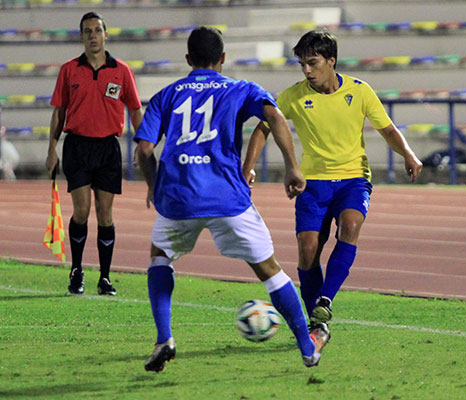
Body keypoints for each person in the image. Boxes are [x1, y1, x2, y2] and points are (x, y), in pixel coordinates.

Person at [134, 26, 329, 373]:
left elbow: (144, 149)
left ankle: (164, 337)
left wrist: (153, 185)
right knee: (269, 270)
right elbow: (274, 116)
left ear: (188, 59)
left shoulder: (166, 94)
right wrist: (292, 167)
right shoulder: (239, 89)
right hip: (227, 197)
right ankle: (306, 345)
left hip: (177, 196)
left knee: (160, 258)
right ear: (222, 59)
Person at [243, 30, 423, 339]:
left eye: (312, 63)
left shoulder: (360, 91)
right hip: (313, 183)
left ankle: (324, 301)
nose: (307, 71)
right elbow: (262, 127)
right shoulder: (293, 95)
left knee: (350, 226)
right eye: (302, 64)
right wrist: (248, 167)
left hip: (354, 178)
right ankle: (317, 322)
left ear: (331, 61)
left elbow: (388, 129)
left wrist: (407, 152)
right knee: (308, 249)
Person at [45, 12, 143, 296]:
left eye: (97, 30)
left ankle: (105, 277)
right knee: (81, 211)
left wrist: (142, 142)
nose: (92, 35)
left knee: (105, 213)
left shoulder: (121, 70)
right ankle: (76, 271)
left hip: (107, 148)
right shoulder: (69, 70)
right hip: (77, 146)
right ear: (81, 37)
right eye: (87, 31)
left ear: (106, 34)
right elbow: (59, 111)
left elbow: (135, 109)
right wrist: (52, 148)